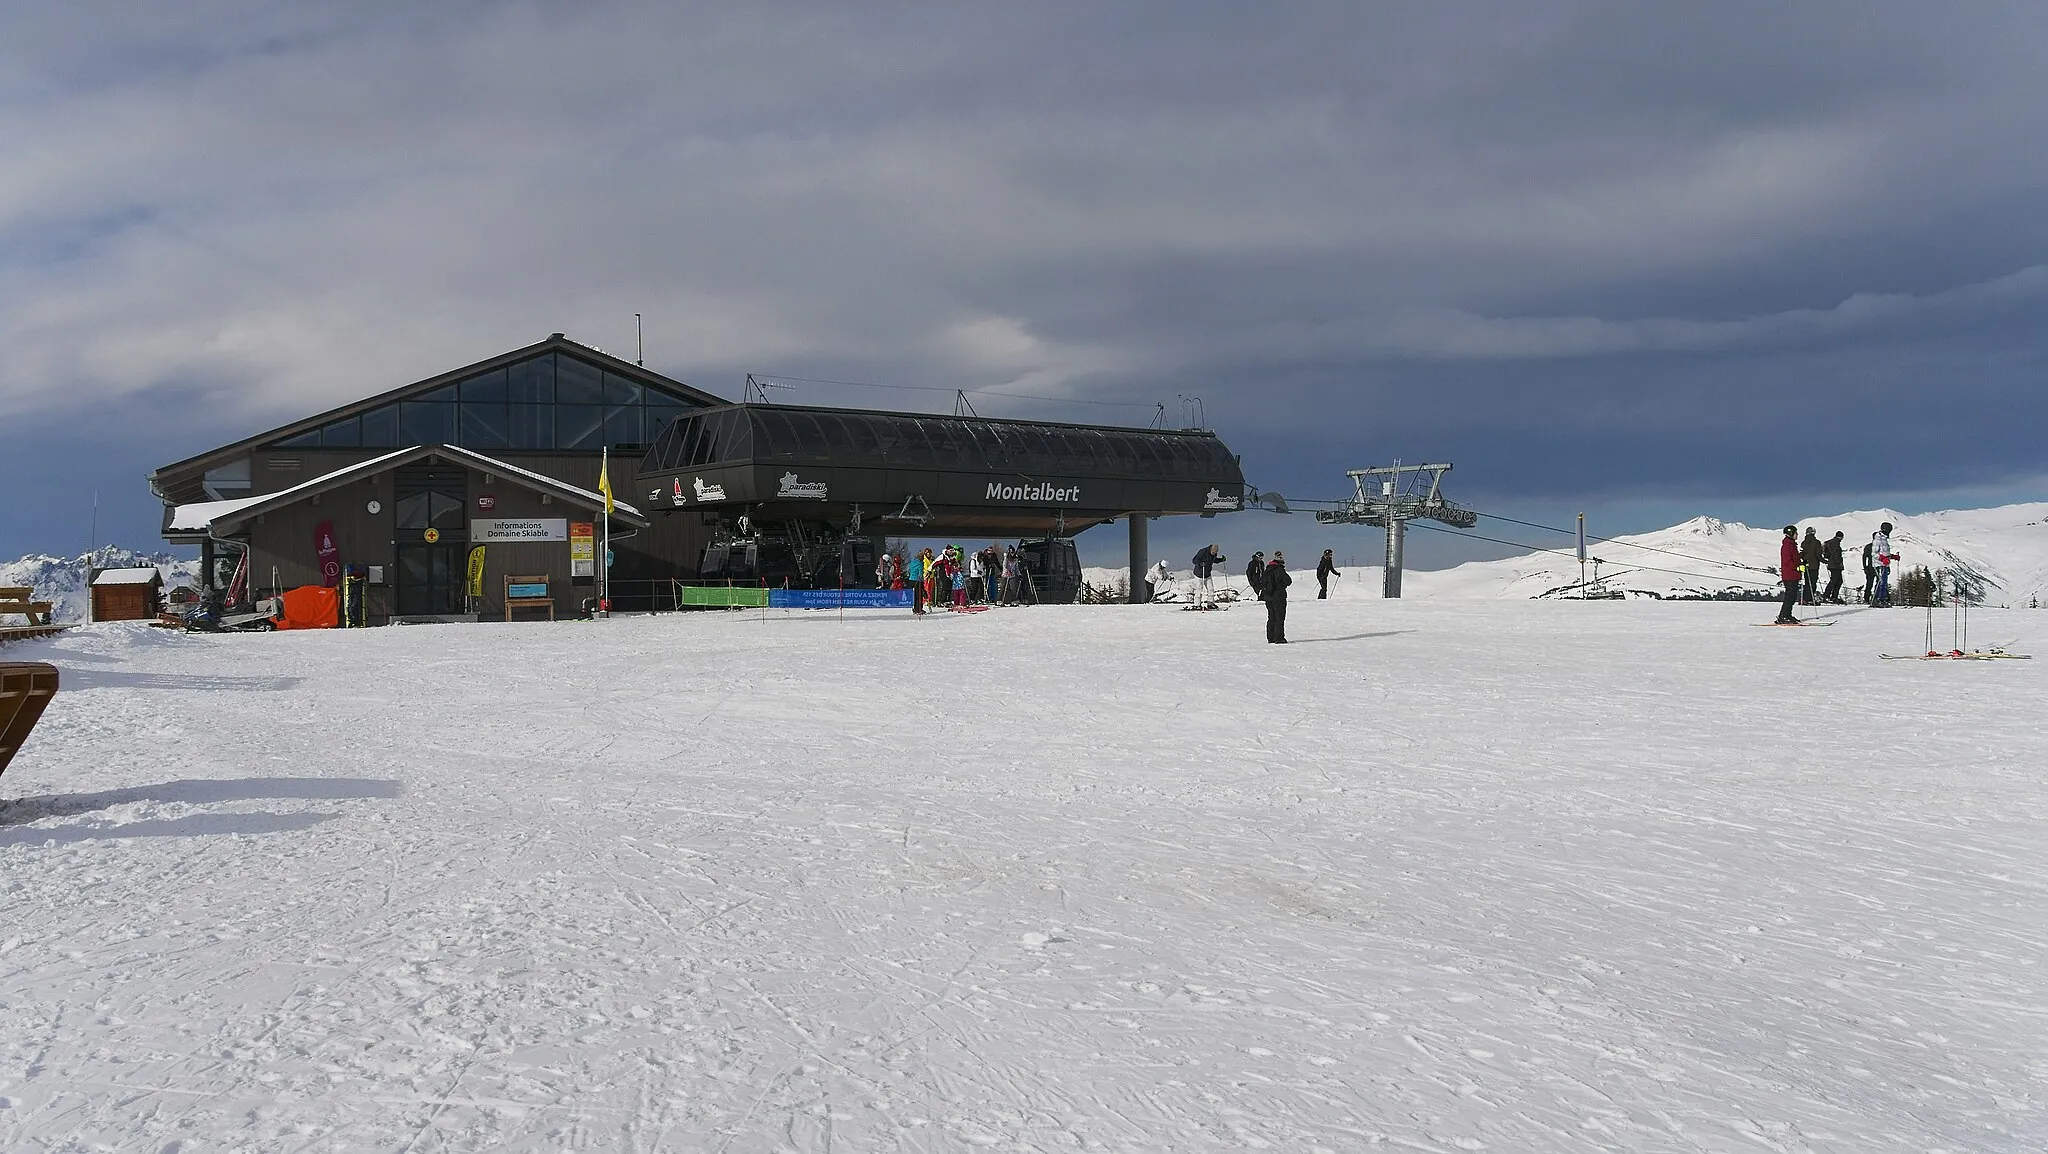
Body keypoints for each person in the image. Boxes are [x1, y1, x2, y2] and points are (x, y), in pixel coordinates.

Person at [1774, 525, 1801, 624]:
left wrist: (1802, 563)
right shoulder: (1787, 545)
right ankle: (1783, 616)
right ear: (1791, 534)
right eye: (1795, 533)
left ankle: (1787, 615)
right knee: (1790, 596)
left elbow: (1794, 559)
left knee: (1793, 596)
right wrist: (1797, 567)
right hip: (1790, 575)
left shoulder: (1792, 544)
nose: (1797, 534)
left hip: (1793, 574)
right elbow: (1787, 561)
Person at [1263, 551, 1292, 642]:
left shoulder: (1267, 570)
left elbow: (1262, 582)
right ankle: (1279, 638)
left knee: (1271, 617)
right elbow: (1288, 581)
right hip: (1279, 597)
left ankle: (1270, 638)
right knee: (1279, 617)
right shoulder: (1280, 570)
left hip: (1268, 597)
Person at [1191, 544, 1225, 609]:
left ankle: (1210, 603)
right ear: (1210, 549)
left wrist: (1221, 559)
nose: (1214, 553)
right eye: (1213, 552)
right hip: (1199, 574)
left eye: (1215, 553)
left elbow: (1214, 560)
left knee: (1211, 589)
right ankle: (1197, 605)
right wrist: (1200, 563)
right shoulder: (1202, 552)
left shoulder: (1214, 554)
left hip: (1207, 574)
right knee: (1199, 590)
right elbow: (1194, 560)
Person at [1871, 522, 1896, 607]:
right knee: (1882, 582)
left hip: (1885, 564)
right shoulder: (1878, 539)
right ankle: (1878, 599)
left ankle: (1880, 599)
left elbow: (1884, 553)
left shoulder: (1884, 539)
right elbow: (1874, 554)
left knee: (1883, 582)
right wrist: (1882, 559)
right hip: (1879, 564)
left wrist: (1892, 556)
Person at [1799, 528, 1823, 605]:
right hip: (1814, 565)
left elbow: (1801, 554)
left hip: (1806, 565)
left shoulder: (1803, 543)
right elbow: (1818, 554)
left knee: (1807, 582)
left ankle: (1805, 599)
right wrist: (1824, 561)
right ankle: (1809, 599)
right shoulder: (1816, 542)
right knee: (1812, 583)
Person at [1822, 531, 1845, 604]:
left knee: (1837, 580)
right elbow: (1836, 554)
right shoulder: (1835, 543)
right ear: (1841, 537)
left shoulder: (1831, 542)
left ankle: (1832, 596)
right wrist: (1839, 563)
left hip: (1832, 564)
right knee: (1835, 581)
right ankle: (1828, 596)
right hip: (1835, 565)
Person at [908, 549, 928, 615]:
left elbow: (909, 570)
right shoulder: (920, 563)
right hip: (917, 580)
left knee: (915, 596)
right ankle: (919, 609)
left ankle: (915, 608)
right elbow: (920, 573)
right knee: (919, 595)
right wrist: (922, 580)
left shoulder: (912, 562)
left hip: (911, 580)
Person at [1860, 539, 1876, 603]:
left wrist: (1865, 567)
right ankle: (1868, 598)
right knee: (1870, 584)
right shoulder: (1871, 547)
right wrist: (1865, 567)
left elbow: (1864, 557)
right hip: (1872, 568)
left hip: (1871, 567)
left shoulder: (1869, 546)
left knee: (1870, 583)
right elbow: (1864, 557)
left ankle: (1868, 598)